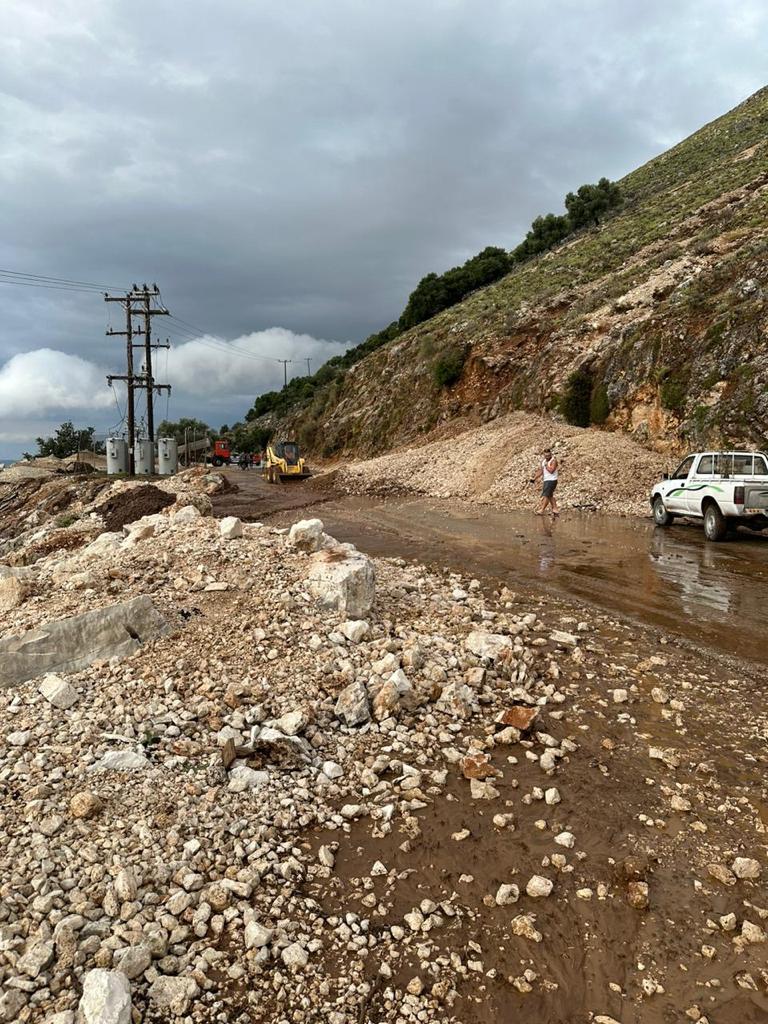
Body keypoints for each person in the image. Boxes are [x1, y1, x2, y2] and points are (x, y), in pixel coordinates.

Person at [531, 448, 560, 516]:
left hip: (552, 480)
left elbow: (551, 470)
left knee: (546, 495)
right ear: (544, 455)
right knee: (550, 495)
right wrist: (534, 478)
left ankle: (542, 510)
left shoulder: (553, 461)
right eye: (546, 456)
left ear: (551, 454)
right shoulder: (543, 461)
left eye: (548, 455)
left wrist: (547, 465)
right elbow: (541, 471)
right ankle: (555, 509)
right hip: (546, 480)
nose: (547, 457)